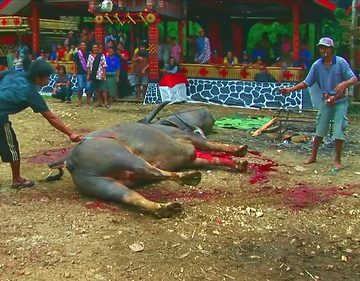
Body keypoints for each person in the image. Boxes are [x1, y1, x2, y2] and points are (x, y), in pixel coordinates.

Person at [0, 60, 82, 188]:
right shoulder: (30, 93)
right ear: (38, 77)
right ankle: (17, 180)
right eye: (47, 77)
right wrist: (70, 133)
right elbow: (51, 117)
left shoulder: (13, 73)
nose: (48, 80)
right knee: (12, 148)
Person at [279, 37, 358, 169]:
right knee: (320, 128)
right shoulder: (317, 65)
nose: (323, 50)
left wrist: (344, 83)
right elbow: (306, 82)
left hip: (340, 101)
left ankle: (337, 159)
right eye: (321, 48)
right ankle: (313, 156)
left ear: (331, 49)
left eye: (326, 48)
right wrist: (290, 89)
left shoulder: (340, 63)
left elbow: (354, 78)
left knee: (339, 129)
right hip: (326, 100)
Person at [73, 41, 92, 106]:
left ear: (86, 46)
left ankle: (88, 99)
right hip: (79, 73)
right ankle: (80, 99)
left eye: (84, 45)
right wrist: (74, 72)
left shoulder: (89, 54)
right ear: (79, 46)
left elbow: (90, 64)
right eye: (82, 45)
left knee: (88, 87)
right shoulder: (76, 54)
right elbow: (75, 64)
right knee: (80, 87)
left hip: (88, 73)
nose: (83, 46)